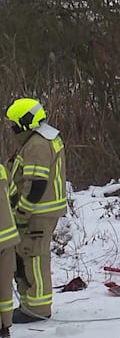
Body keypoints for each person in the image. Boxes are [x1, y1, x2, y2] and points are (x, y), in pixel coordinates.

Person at [5, 98, 66, 324]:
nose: (11, 129)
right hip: (40, 211)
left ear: (25, 123)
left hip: (37, 213)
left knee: (35, 257)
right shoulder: (42, 138)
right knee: (27, 255)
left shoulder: (37, 145)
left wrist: (22, 214)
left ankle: (38, 308)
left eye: (14, 124)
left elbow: (36, 185)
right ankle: (30, 302)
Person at [0, 164, 21, 338]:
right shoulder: (1, 169)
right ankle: (5, 327)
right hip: (7, 238)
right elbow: (14, 196)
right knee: (5, 285)